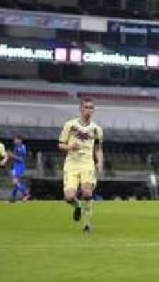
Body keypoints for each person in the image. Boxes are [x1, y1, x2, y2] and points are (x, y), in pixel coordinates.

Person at [59, 99, 104, 233]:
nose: (88, 110)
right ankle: (77, 206)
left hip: (87, 164)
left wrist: (100, 163)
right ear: (80, 109)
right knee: (69, 197)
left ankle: (87, 224)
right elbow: (60, 144)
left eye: (91, 108)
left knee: (87, 192)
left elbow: (98, 148)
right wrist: (69, 146)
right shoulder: (70, 125)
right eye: (86, 107)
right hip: (71, 164)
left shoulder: (96, 129)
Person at [9, 135, 30, 202]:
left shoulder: (21, 147)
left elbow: (20, 158)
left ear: (20, 140)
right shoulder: (16, 147)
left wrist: (11, 155)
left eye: (16, 139)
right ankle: (13, 198)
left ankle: (26, 193)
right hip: (17, 166)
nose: (14, 141)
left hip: (19, 166)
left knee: (15, 181)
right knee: (16, 182)